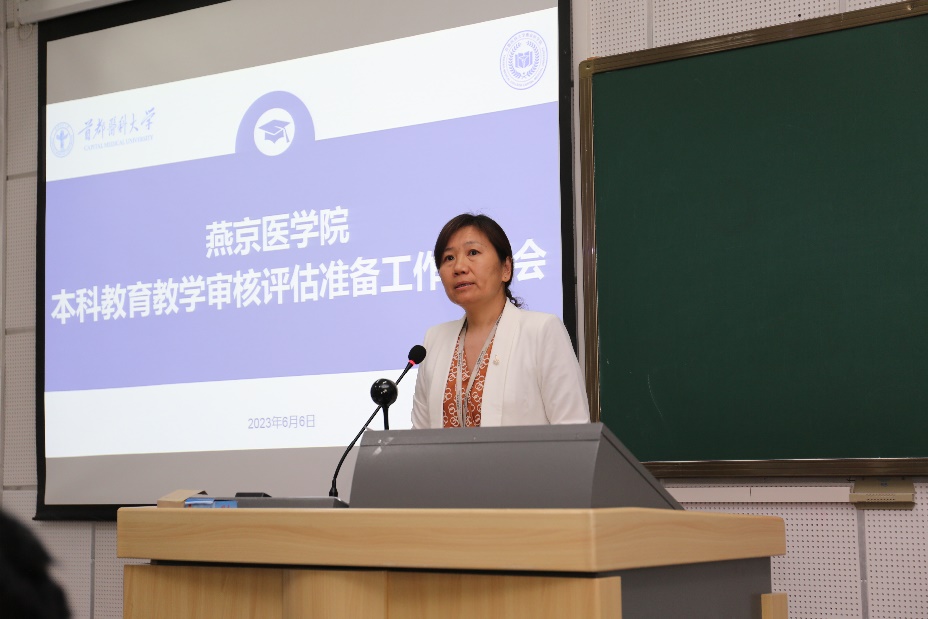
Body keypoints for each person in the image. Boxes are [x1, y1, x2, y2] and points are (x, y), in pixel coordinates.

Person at [411, 213, 590, 428]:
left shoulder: (541, 331)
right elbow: (420, 436)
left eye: (473, 252)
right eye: (448, 258)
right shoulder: (434, 340)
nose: (459, 267)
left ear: (506, 269)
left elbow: (573, 430)